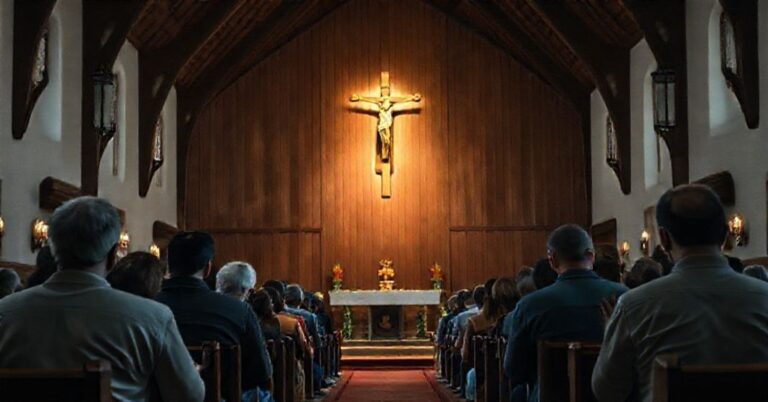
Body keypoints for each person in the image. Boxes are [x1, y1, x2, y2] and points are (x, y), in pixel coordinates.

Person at [0, 197, 204, 401]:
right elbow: (190, 396)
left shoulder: (4, 312)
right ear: (114, 254)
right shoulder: (152, 317)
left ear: (53, 249)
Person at [592, 185, 768, 402]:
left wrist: (611, 333)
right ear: (724, 234)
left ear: (664, 239)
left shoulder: (633, 305)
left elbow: (607, 392)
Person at [505, 224, 627, 402]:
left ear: (552, 260)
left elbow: (514, 370)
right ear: (591, 256)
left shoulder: (530, 306)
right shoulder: (624, 297)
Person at [156, 231, 272, 402]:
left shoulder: (146, 305)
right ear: (208, 268)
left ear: (168, 264)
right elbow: (261, 373)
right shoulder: (239, 310)